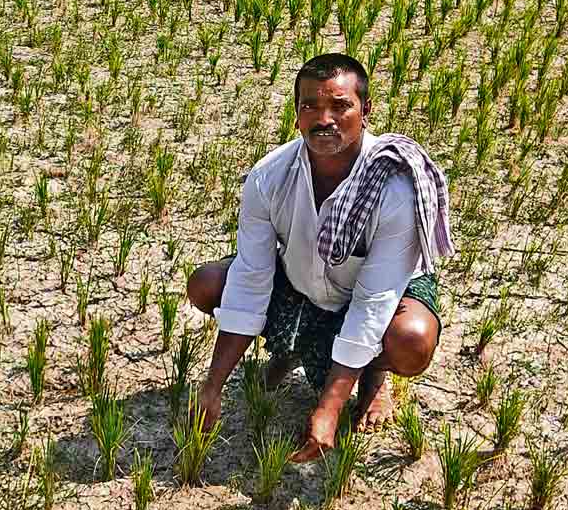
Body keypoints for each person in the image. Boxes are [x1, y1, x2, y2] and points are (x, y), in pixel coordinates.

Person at [186, 53, 454, 463]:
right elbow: (253, 277)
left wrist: (328, 410)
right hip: (303, 281)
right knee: (207, 283)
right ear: (296, 116)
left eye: (340, 105)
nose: (323, 118)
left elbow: (373, 301)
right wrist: (213, 386)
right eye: (310, 105)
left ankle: (372, 374)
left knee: (411, 340)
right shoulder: (269, 177)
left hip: (371, 294)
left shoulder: (394, 185)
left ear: (365, 111)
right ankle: (293, 345)